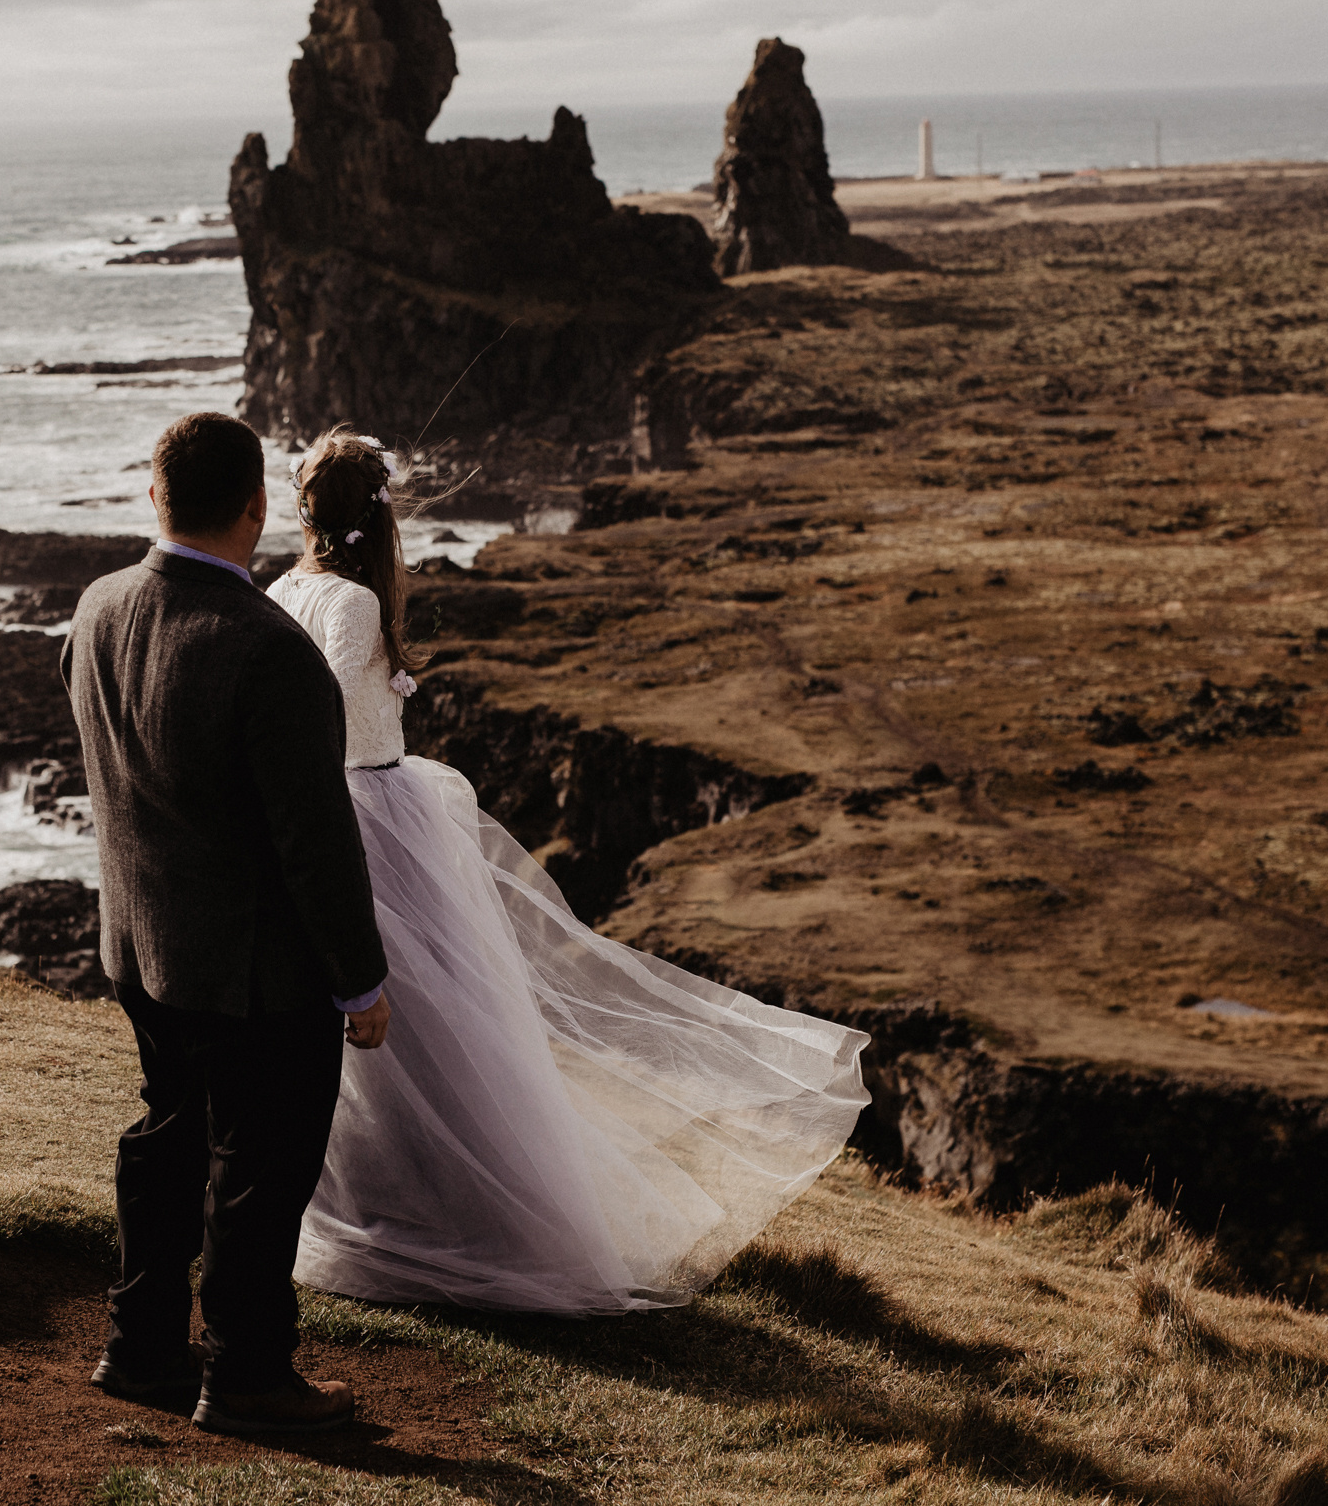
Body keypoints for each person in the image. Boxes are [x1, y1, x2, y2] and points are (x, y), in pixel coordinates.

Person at [266, 428, 873, 1314]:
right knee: (439, 1030)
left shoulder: (283, 588)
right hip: (378, 817)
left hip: (360, 809)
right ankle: (446, 1217)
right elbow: (332, 722)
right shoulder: (353, 607)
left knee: (410, 1034)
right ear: (380, 515)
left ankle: (393, 1198)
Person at [61, 411, 393, 1436]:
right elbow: (314, 839)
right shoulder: (268, 648)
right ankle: (246, 1370)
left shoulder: (98, 605)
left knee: (167, 1130)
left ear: (154, 495)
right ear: (255, 506)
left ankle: (139, 1343)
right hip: (254, 967)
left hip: (139, 942)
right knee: (262, 1160)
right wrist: (360, 978)